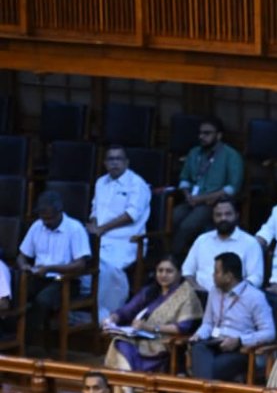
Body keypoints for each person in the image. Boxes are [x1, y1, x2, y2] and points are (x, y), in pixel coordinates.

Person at [103, 254, 202, 377]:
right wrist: (112, 319)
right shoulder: (151, 290)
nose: (163, 275)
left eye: (169, 271)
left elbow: (182, 327)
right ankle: (127, 391)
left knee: (121, 346)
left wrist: (149, 328)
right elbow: (127, 310)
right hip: (140, 337)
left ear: (179, 273)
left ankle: (127, 390)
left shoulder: (186, 295)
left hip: (164, 343)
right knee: (120, 343)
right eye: (160, 271)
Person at [17, 190, 91, 353]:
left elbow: (80, 265)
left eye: (49, 218)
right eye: (43, 218)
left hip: (66, 280)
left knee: (42, 301)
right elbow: (22, 256)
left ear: (60, 212)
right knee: (16, 294)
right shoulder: (37, 226)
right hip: (38, 276)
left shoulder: (75, 228)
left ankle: (22, 344)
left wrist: (51, 268)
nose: (46, 222)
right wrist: (24, 266)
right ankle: (12, 339)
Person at [187, 252, 274, 381]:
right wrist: (198, 335)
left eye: (216, 272)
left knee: (209, 367)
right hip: (215, 343)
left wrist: (239, 340)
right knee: (198, 348)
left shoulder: (255, 297)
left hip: (241, 350)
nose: (213, 276)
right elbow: (208, 324)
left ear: (229, 276)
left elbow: (269, 333)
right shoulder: (214, 292)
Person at [88, 145, 151, 320]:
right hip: (100, 239)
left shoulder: (137, 184)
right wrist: (94, 227)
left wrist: (102, 229)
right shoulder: (101, 182)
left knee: (108, 268)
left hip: (127, 241)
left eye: (118, 159)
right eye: (110, 159)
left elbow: (131, 215)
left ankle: (109, 315)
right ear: (104, 163)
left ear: (126, 162)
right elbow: (95, 211)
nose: (114, 163)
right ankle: (86, 310)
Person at [171, 117, 244, 257]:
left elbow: (232, 188)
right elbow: (184, 179)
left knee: (188, 225)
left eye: (207, 133)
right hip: (191, 200)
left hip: (214, 203)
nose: (201, 137)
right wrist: (187, 195)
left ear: (219, 135)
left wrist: (202, 199)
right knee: (171, 218)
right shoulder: (194, 152)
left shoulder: (231, 155)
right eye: (200, 133)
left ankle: (174, 259)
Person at [181, 199, 263, 292]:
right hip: (201, 297)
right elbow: (187, 271)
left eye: (228, 214)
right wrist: (196, 288)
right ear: (213, 217)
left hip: (236, 299)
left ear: (236, 215)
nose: (223, 218)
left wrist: (235, 293)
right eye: (218, 215)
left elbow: (256, 278)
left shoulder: (250, 243)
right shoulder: (202, 240)